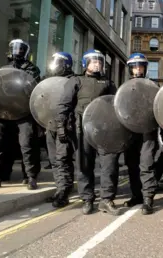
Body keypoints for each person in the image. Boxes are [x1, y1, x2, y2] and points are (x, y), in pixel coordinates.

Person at [55, 49, 117, 215]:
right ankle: (87, 199)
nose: (97, 64)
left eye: (99, 61)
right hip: (81, 127)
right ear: (86, 64)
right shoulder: (76, 81)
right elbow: (64, 104)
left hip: (104, 128)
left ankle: (106, 199)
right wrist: (61, 125)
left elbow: (116, 106)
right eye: (93, 61)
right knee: (84, 164)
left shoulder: (109, 84)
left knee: (109, 165)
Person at [0, 39, 42, 190]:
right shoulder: (3, 69)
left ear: (26, 52)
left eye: (21, 49)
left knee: (27, 144)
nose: (18, 52)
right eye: (15, 48)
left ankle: (30, 176)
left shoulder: (33, 69)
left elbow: (33, 89)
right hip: (2, 110)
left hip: (23, 111)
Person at [118, 52, 159, 215]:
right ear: (130, 69)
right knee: (132, 164)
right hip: (129, 132)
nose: (137, 69)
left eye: (140, 66)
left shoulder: (152, 86)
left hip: (147, 131)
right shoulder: (123, 88)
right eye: (134, 67)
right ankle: (137, 195)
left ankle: (148, 198)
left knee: (146, 164)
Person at [44, 52, 76, 208]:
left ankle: (63, 192)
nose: (56, 66)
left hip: (64, 124)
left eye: (59, 63)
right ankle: (60, 189)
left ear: (67, 64)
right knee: (54, 160)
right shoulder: (48, 81)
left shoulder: (72, 81)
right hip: (49, 123)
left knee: (62, 158)